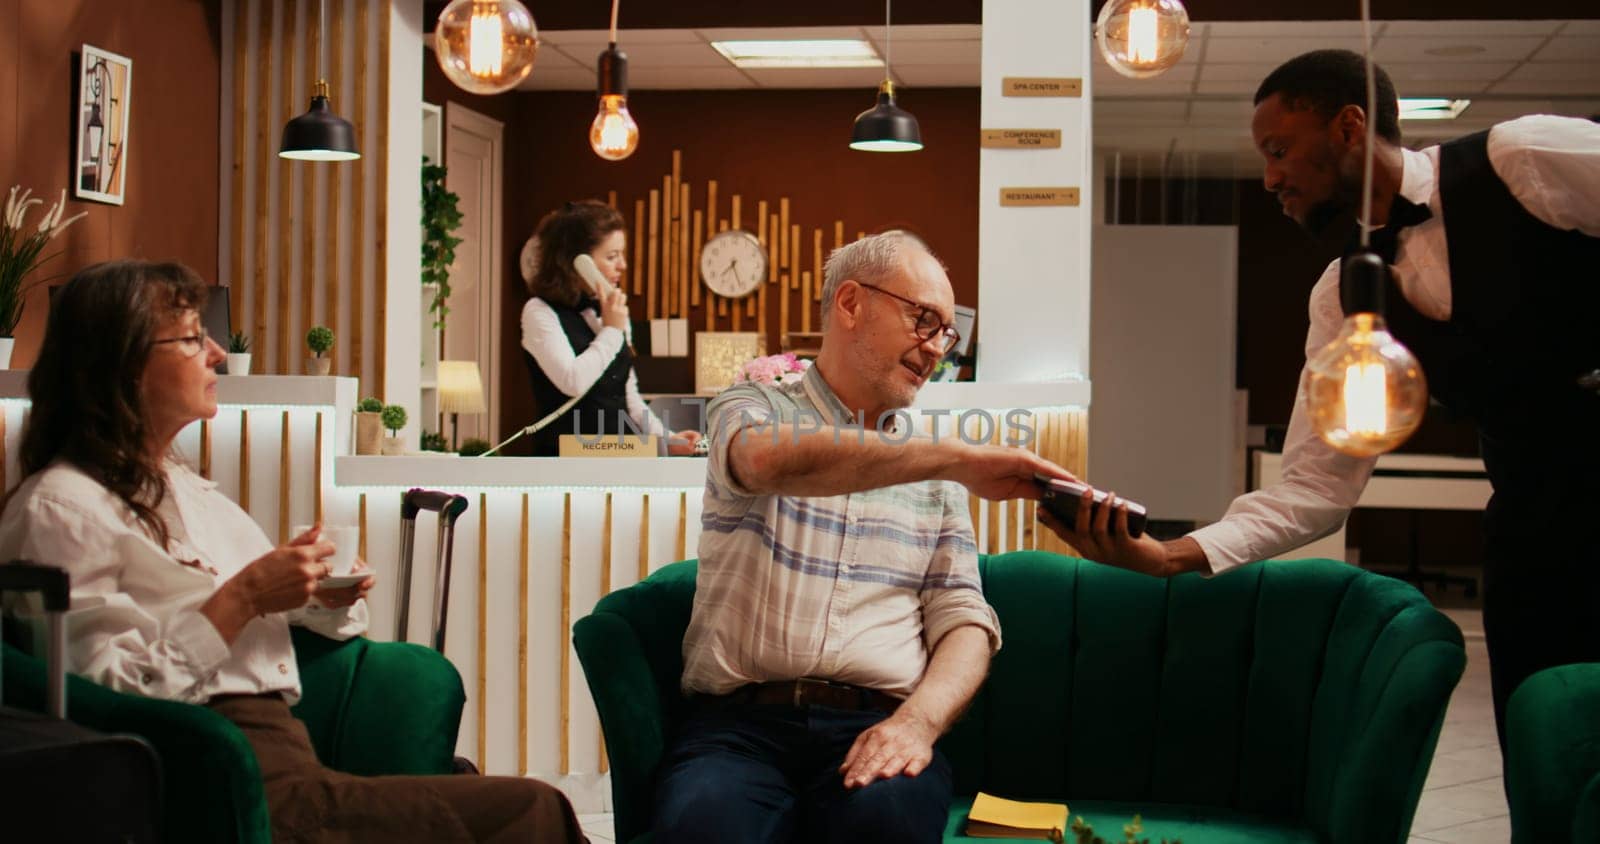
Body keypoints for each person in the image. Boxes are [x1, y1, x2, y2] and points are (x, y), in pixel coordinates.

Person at [1042, 49, 1600, 759]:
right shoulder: (1343, 298)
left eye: (1280, 150)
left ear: (1348, 127)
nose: (1270, 177)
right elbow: (1316, 483)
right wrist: (1170, 557)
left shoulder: (1522, 158)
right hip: (1537, 546)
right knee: (1548, 758)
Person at [0, 259, 586, 843]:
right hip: (213, 775)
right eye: (189, 338)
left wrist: (313, 590)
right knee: (528, 809)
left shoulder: (186, 490)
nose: (217, 353)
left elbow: (271, 615)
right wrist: (247, 595)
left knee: (523, 805)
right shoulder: (60, 509)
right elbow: (98, 699)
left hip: (287, 755)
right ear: (120, 364)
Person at [653, 232, 1074, 844]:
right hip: (738, 730)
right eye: (922, 320)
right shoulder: (750, 405)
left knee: (884, 825)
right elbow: (763, 462)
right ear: (850, 303)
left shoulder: (937, 479)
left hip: (878, 725)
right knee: (703, 827)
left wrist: (918, 725)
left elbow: (965, 624)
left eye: (946, 332)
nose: (935, 349)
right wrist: (953, 458)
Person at [520, 200, 701, 456]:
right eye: (612, 256)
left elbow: (629, 397)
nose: (623, 265)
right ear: (576, 261)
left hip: (621, 455)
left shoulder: (610, 312)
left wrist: (669, 438)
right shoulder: (539, 311)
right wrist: (612, 331)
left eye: (622, 255)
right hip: (565, 461)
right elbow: (573, 382)